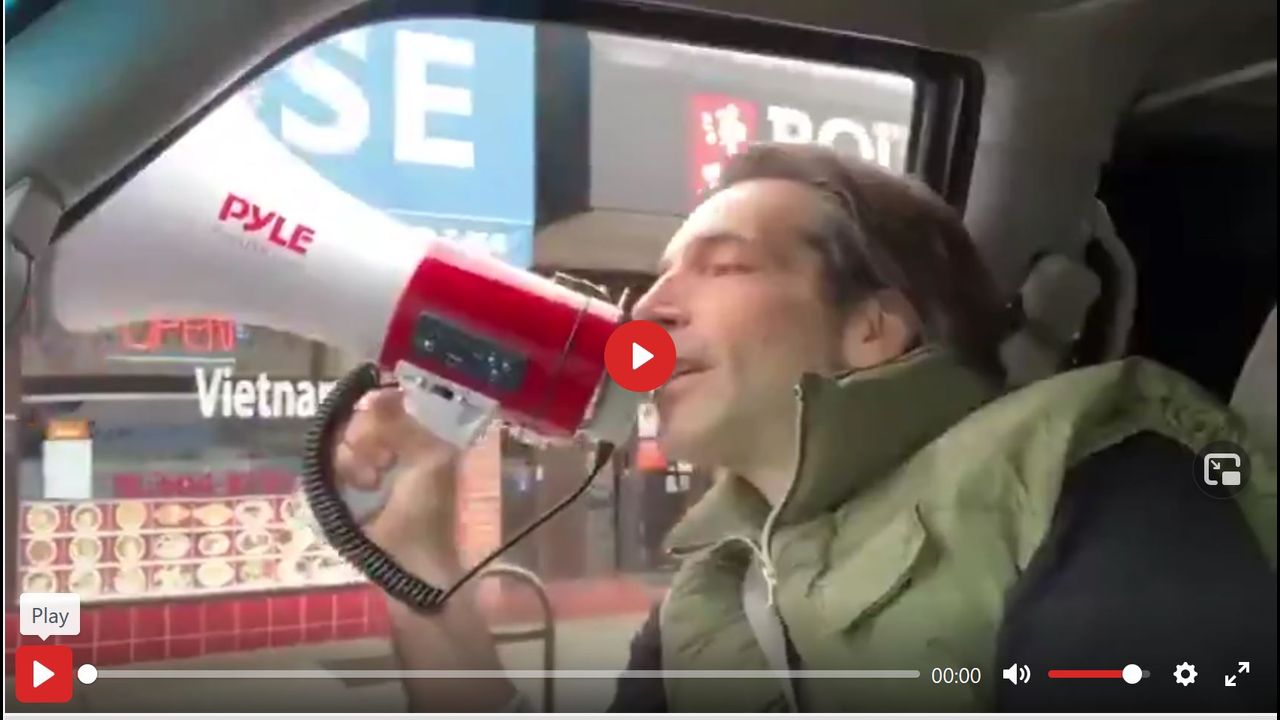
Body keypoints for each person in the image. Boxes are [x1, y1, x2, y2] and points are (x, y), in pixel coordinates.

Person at [332, 143, 1276, 713]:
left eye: (724, 266)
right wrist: (419, 563)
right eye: (658, 276)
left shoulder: (1099, 472)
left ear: (873, 327)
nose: (649, 310)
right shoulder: (711, 592)